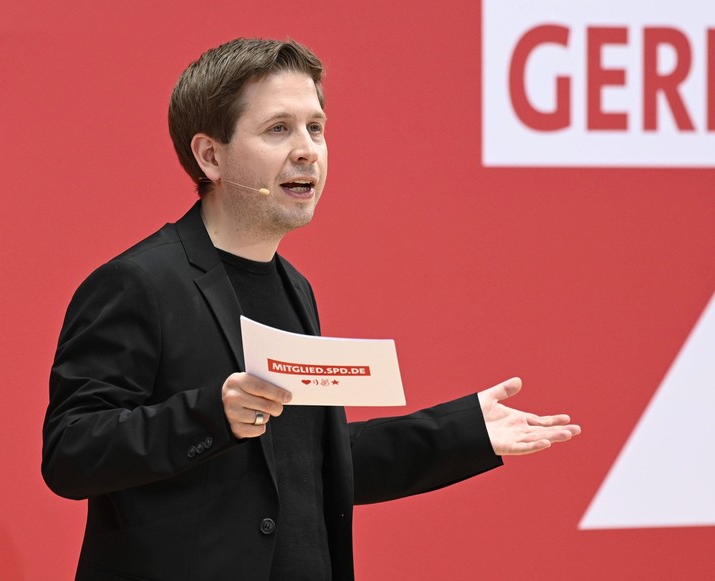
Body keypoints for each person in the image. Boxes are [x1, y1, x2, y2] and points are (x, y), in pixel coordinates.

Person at [42, 38, 581, 581]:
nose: (307, 151)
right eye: (278, 129)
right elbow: (70, 452)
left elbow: (308, 463)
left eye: (315, 128)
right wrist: (211, 414)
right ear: (210, 156)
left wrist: (462, 433)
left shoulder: (294, 288)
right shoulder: (138, 283)